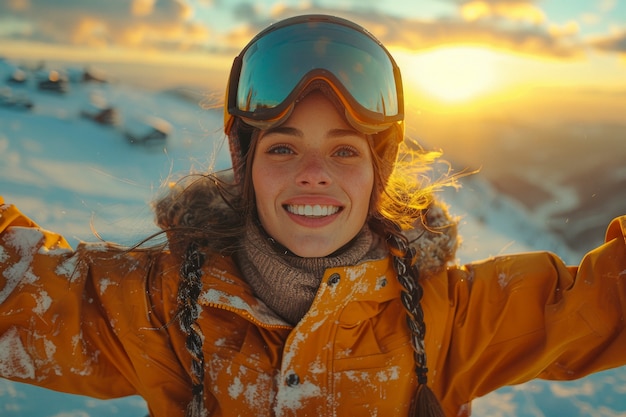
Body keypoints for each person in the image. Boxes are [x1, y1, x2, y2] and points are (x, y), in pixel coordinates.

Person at [0, 13, 625, 417]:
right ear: (243, 162)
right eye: (282, 146)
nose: (313, 173)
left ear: (379, 171)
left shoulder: (455, 318)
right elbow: (16, 289)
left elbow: (606, 302)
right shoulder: (158, 309)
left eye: (345, 150)